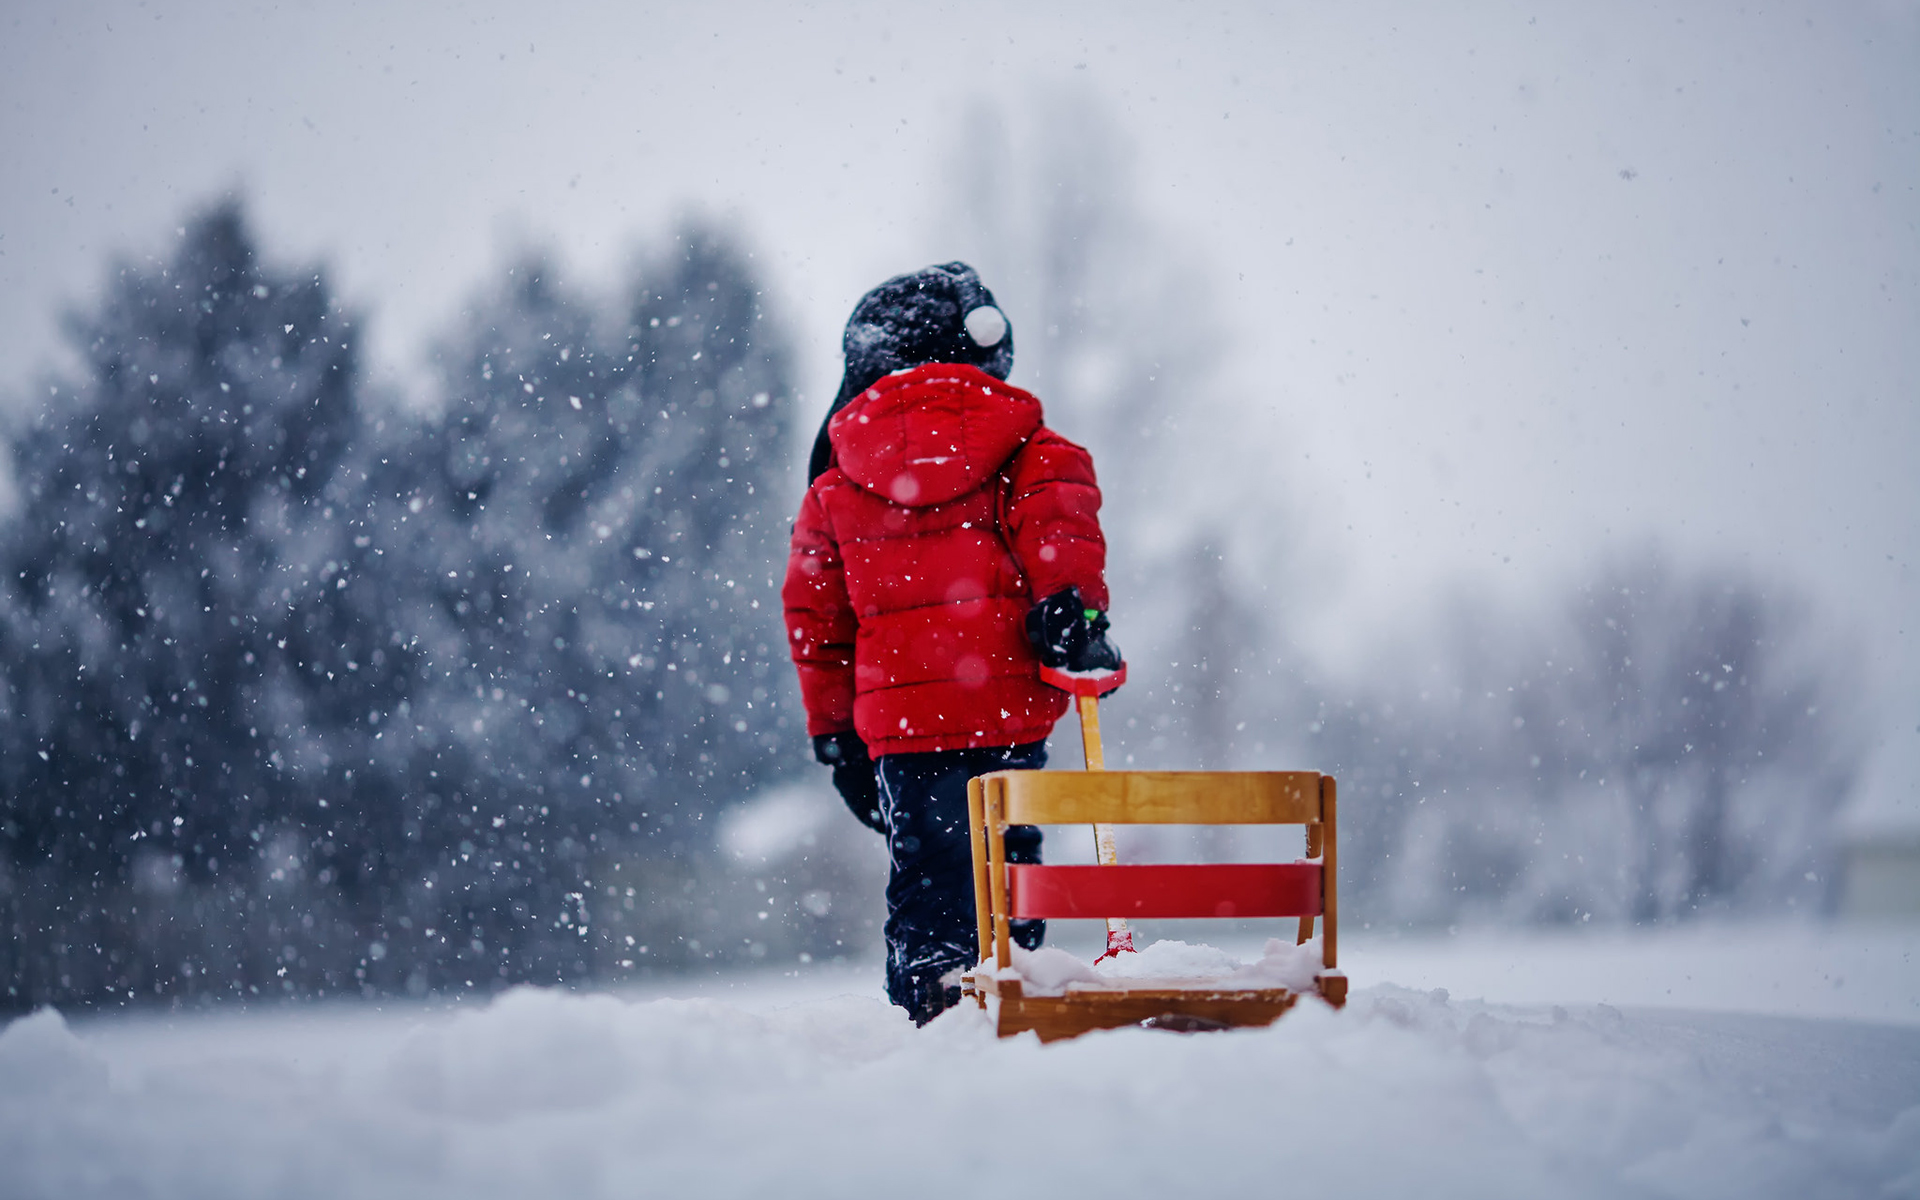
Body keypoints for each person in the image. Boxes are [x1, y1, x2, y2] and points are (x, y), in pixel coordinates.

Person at [782, 262, 1122, 1025]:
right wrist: (1076, 615)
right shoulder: (1033, 449)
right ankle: (1015, 989)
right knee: (1008, 865)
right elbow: (1061, 529)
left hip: (902, 729)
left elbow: (817, 619)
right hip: (1006, 707)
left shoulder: (834, 486)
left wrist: (834, 734)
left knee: (928, 871)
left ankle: (933, 1000)